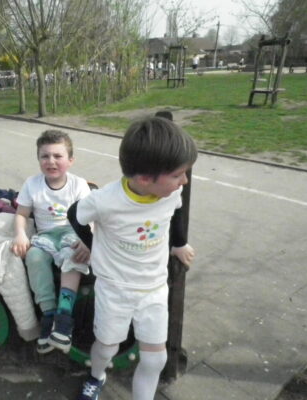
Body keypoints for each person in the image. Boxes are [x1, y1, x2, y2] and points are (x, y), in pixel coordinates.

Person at [68, 116, 198, 400]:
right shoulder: (106, 200)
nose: (184, 181)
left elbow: (176, 210)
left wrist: (179, 244)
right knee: (106, 348)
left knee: (155, 359)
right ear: (144, 179)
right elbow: (74, 214)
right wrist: (91, 244)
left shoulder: (170, 193)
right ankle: (96, 376)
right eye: (178, 175)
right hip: (114, 289)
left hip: (154, 289)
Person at [12, 130, 91, 354]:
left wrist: (87, 241)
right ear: (38, 159)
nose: (51, 161)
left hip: (71, 232)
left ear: (70, 160)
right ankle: (48, 314)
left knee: (73, 256)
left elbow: (90, 218)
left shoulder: (78, 185)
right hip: (45, 236)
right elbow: (21, 214)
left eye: (58, 156)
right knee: (34, 257)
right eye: (45, 156)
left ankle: (63, 317)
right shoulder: (32, 184)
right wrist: (20, 234)